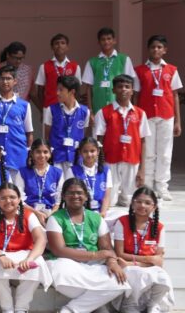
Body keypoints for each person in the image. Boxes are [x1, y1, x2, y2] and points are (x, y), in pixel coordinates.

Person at [46, 178, 130, 313]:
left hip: (93, 265)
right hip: (66, 262)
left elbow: (107, 248)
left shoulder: (96, 218)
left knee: (119, 282)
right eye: (70, 193)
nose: (75, 196)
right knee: (61, 271)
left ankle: (71, 310)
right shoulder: (55, 218)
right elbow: (58, 250)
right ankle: (96, 304)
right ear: (63, 196)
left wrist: (112, 262)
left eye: (79, 193)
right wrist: (94, 255)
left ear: (86, 196)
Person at [0, 183, 52, 313]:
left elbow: (41, 239)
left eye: (12, 197)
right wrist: (0, 257)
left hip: (24, 253)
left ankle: (21, 308)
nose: (8, 201)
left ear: (19, 199)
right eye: (3, 198)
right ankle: (7, 308)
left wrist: (29, 259)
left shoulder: (28, 215)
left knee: (38, 263)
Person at [134, 35, 183, 201]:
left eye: (159, 47)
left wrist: (178, 121)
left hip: (166, 115)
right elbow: (136, 95)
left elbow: (175, 95)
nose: (156, 50)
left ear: (165, 50)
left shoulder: (171, 70)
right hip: (146, 116)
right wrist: (136, 117)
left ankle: (162, 186)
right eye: (153, 47)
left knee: (165, 153)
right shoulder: (140, 70)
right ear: (148, 49)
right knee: (148, 151)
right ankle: (147, 185)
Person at [113, 187, 174, 312]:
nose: (142, 205)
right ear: (132, 203)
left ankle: (152, 304)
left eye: (147, 203)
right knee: (133, 272)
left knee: (163, 278)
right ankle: (130, 305)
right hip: (127, 267)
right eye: (139, 201)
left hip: (141, 266)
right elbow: (120, 254)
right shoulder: (122, 222)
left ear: (154, 206)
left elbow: (158, 261)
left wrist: (134, 263)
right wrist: (148, 259)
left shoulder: (159, 227)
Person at [94, 74, 151, 206]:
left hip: (132, 160)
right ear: (113, 90)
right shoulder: (104, 112)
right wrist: (100, 164)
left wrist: (142, 169)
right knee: (109, 201)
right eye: (120, 87)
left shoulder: (140, 113)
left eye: (127, 87)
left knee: (130, 202)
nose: (123, 89)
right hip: (110, 160)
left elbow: (143, 141)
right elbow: (99, 140)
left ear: (132, 91)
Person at [82, 27, 136, 115]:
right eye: (103, 39)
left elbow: (130, 85)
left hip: (120, 108)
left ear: (114, 41)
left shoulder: (124, 59)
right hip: (98, 108)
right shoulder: (92, 62)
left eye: (109, 39)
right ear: (98, 42)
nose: (106, 42)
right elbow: (89, 88)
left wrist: (130, 107)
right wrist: (90, 111)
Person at [43, 75, 89, 178]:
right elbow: (47, 136)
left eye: (61, 90)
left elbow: (83, 134)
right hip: (57, 158)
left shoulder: (85, 111)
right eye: (57, 89)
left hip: (75, 158)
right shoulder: (51, 110)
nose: (57, 93)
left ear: (72, 92)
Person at [15, 139, 64, 224]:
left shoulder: (58, 173)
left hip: (51, 214)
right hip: (28, 212)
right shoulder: (22, 172)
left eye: (45, 152)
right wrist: (36, 213)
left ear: (50, 153)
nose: (42, 155)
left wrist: (50, 216)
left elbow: (59, 201)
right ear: (32, 153)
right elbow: (19, 199)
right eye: (38, 152)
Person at [35, 33, 81, 109]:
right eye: (56, 43)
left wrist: (74, 107)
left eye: (63, 43)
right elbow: (40, 91)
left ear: (67, 47)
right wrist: (43, 109)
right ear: (52, 47)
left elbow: (78, 90)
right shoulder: (44, 66)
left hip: (69, 108)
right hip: (49, 107)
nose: (59, 45)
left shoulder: (75, 67)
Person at [68, 137, 112, 217]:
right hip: (80, 213)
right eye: (85, 151)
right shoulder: (72, 171)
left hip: (101, 212)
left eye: (92, 151)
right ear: (80, 152)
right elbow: (71, 196)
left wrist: (102, 213)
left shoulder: (106, 171)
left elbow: (107, 196)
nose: (89, 154)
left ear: (98, 151)